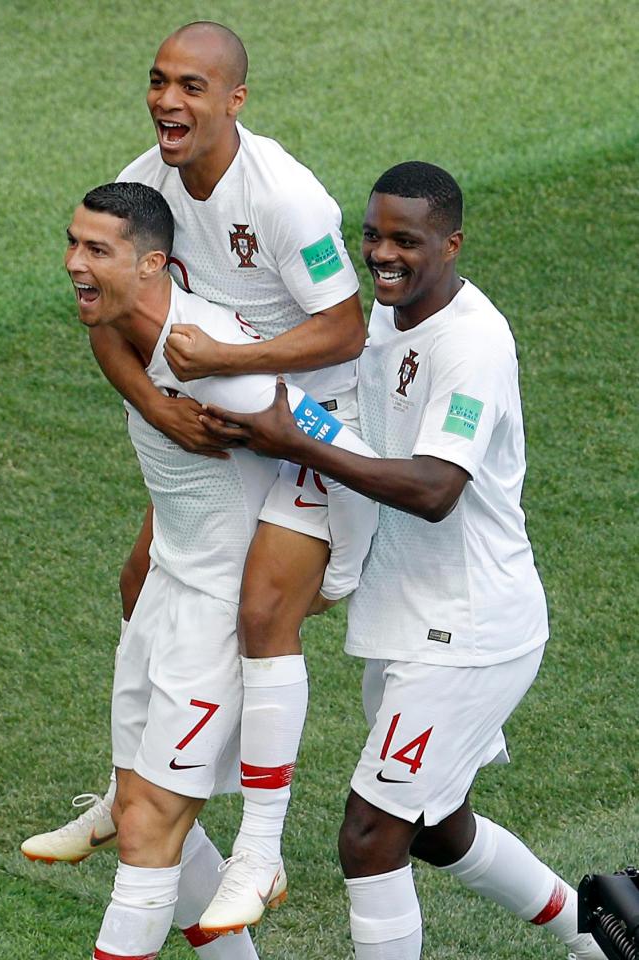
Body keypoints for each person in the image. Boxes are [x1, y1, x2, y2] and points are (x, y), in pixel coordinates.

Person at [198, 161, 603, 960]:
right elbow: (348, 420)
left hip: (469, 629)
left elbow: (434, 488)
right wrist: (256, 411)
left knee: (370, 835)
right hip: (411, 620)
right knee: (434, 826)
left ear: (451, 245)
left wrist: (293, 437)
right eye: (373, 235)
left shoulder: (473, 345)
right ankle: (595, 932)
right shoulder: (381, 317)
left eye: (405, 241)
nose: (383, 254)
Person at [23, 19, 372, 930]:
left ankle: (261, 849)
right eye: (158, 81)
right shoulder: (142, 186)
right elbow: (108, 316)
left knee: (260, 610)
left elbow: (347, 330)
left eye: (191, 86)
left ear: (234, 101)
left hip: (317, 426)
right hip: (222, 419)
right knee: (142, 579)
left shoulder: (286, 196)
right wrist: (157, 403)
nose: (168, 101)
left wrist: (216, 361)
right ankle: (120, 789)